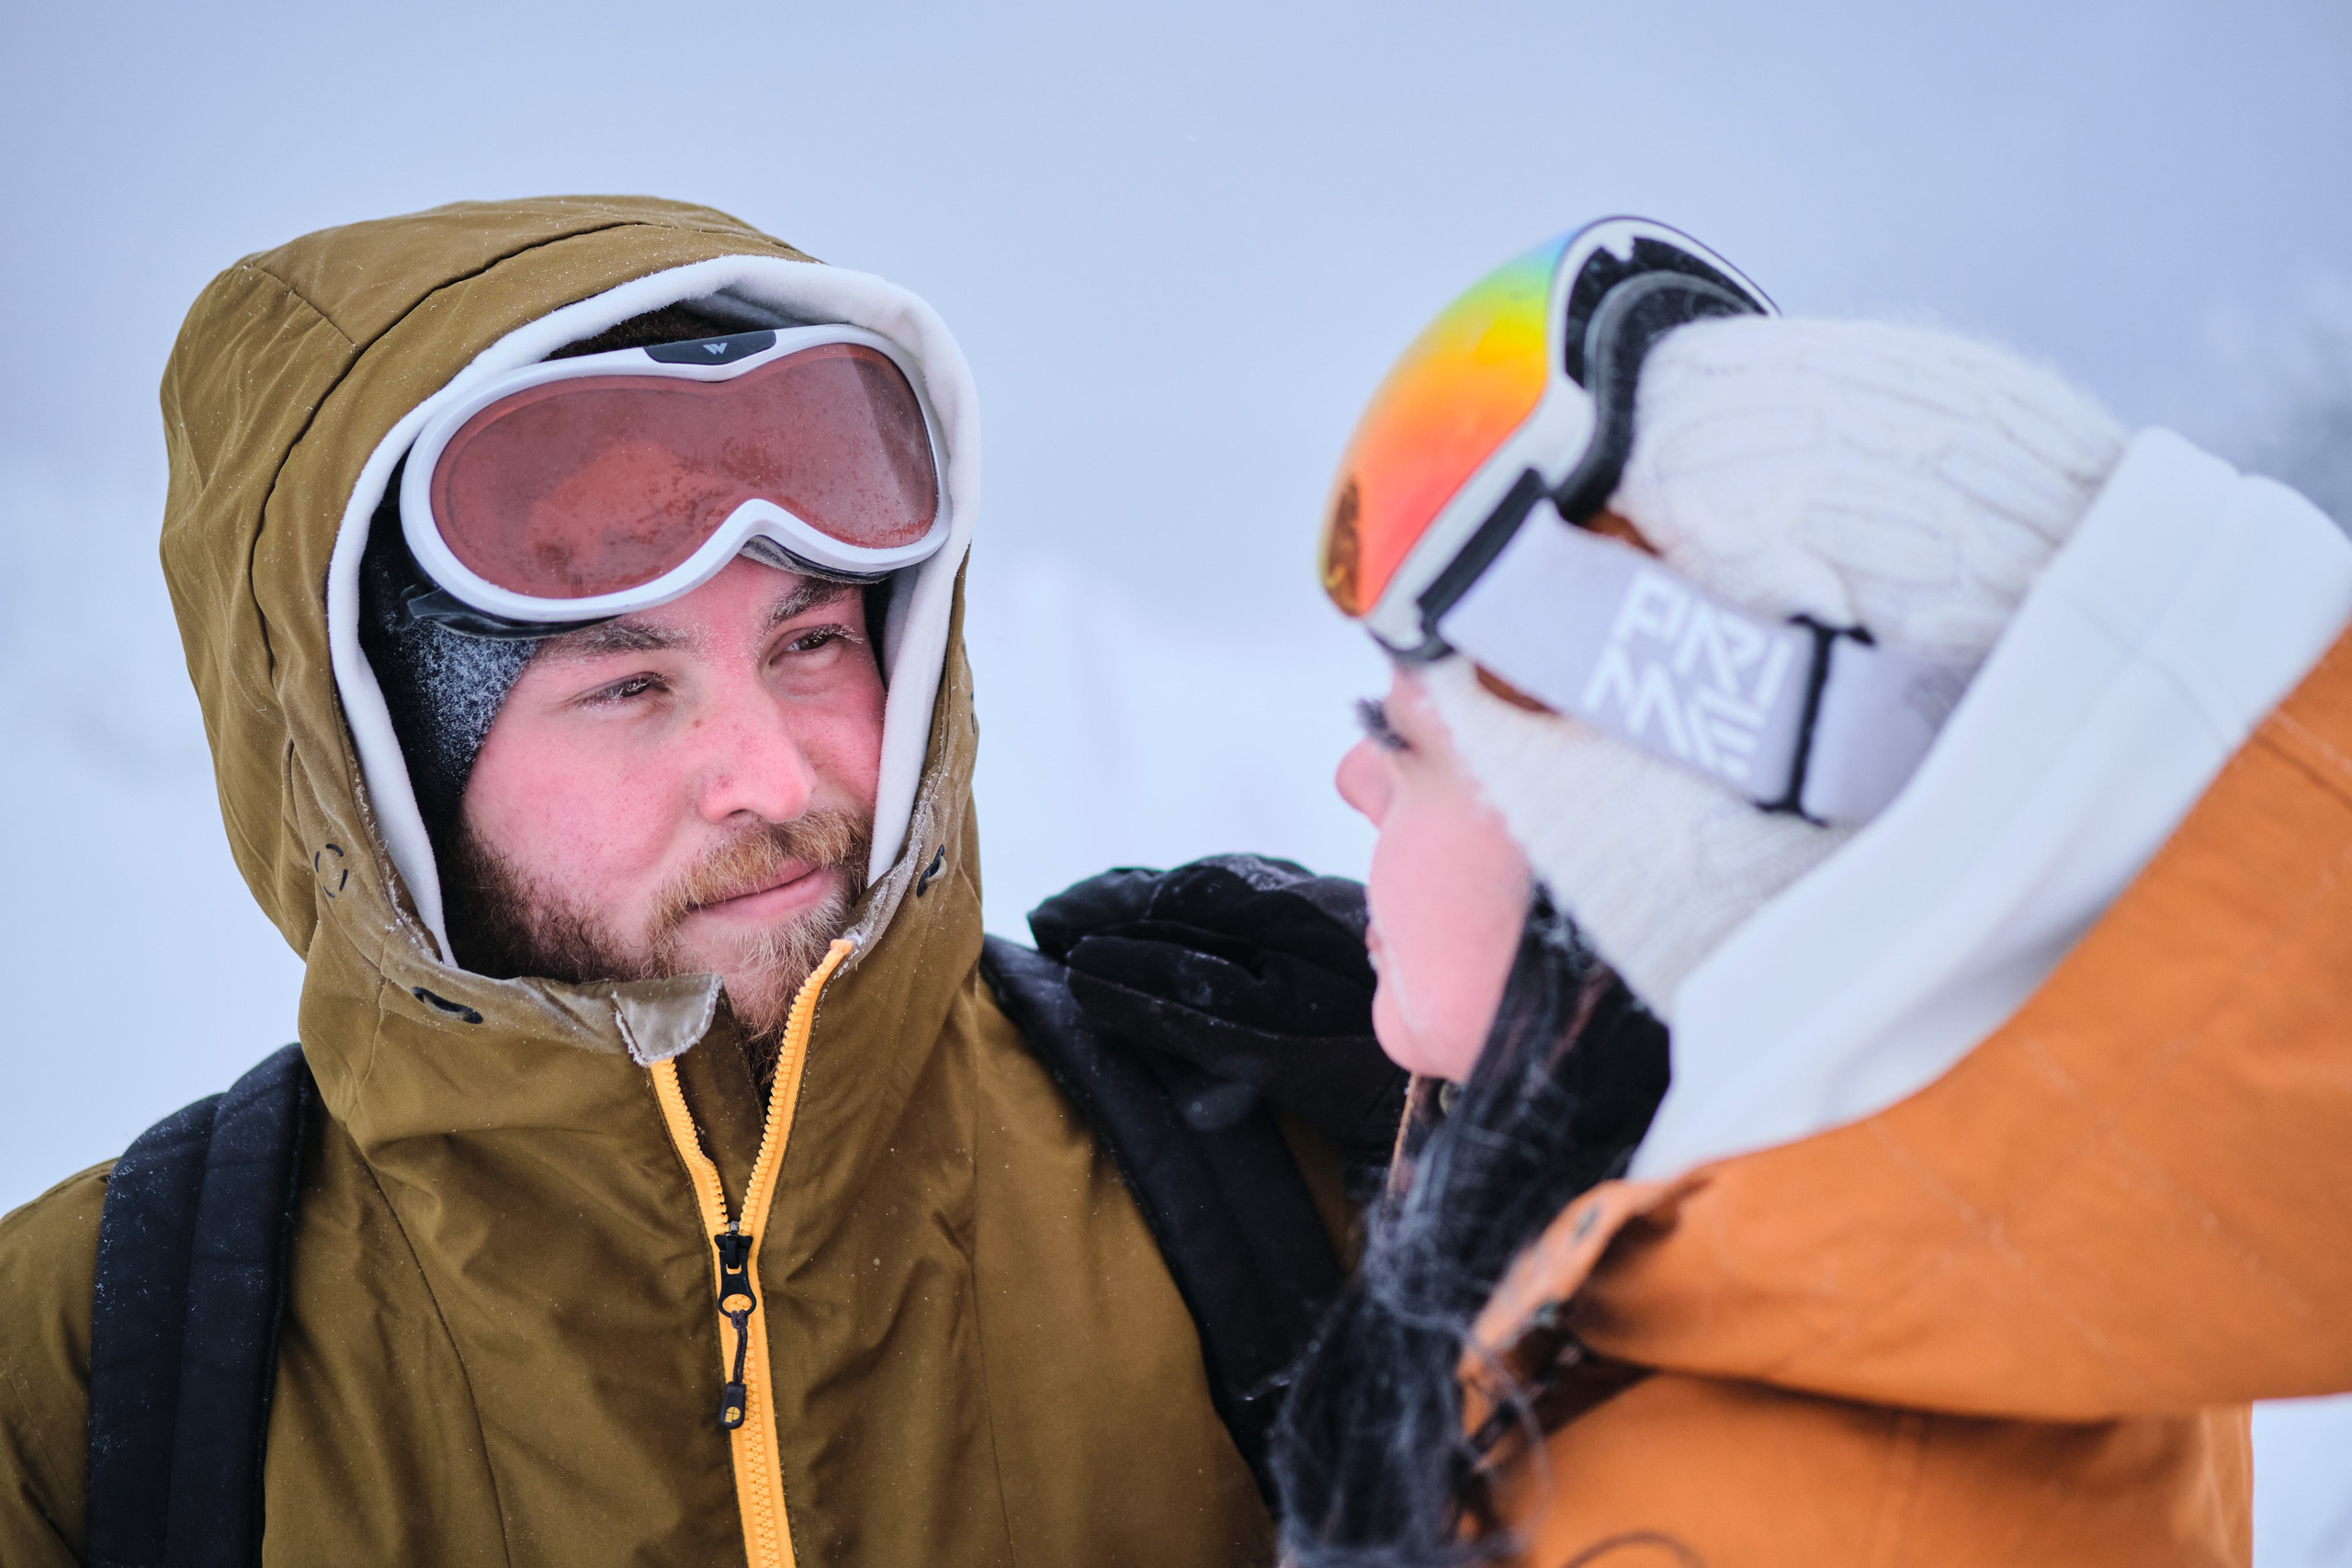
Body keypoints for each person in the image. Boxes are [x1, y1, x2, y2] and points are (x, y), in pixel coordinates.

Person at [0, 196, 1401, 1567]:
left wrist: (1496, 1143)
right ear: (387, 789)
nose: (773, 781)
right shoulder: (87, 1375)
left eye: (811, 646)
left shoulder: (1260, 1182)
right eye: (627, 685)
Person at [1270, 219, 2352, 1564]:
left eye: (1407, 747)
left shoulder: (1729, 1528)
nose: (1350, 783)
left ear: (1652, 868)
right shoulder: (2001, 1315)